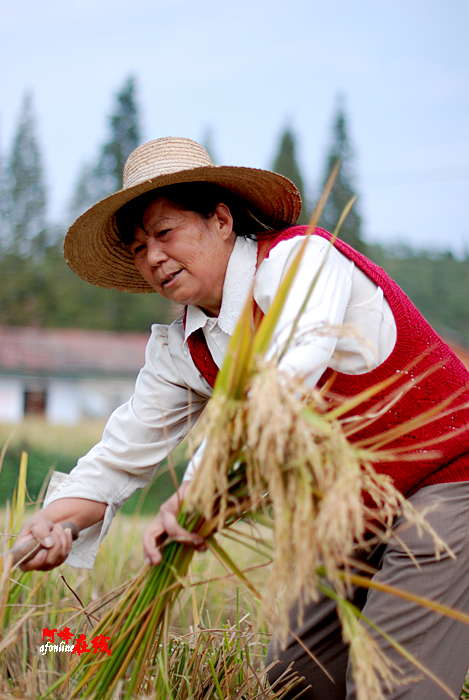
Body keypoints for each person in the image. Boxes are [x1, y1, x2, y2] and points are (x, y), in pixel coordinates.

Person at [16, 137, 469, 699]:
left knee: (392, 683)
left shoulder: (300, 263)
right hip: (353, 514)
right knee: (295, 677)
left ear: (222, 221)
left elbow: (285, 375)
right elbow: (117, 459)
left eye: (165, 233)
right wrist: (55, 524)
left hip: (448, 483)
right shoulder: (183, 349)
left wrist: (196, 489)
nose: (153, 257)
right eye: (138, 247)